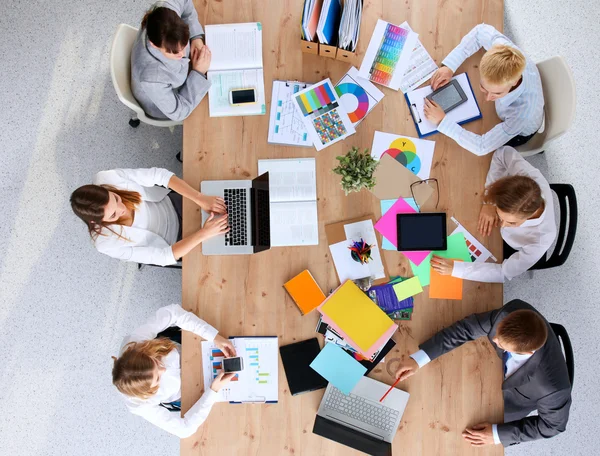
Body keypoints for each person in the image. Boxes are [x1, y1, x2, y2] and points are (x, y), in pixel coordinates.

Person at [394, 299, 571, 447]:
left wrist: (496, 435)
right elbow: (466, 329)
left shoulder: (553, 389)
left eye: (501, 344)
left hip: (508, 407)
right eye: (497, 335)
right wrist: (419, 359)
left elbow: (553, 427)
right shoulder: (512, 312)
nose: (493, 340)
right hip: (490, 376)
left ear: (526, 353)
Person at [431, 146, 556, 282]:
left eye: (512, 223)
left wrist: (456, 269)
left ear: (529, 215)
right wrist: (489, 203)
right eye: (500, 215)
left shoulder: (540, 241)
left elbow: (503, 273)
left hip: (513, 248)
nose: (502, 225)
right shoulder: (528, 179)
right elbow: (503, 153)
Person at [112, 304, 237, 438]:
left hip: (183, 349)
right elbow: (184, 430)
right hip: (183, 390)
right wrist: (213, 391)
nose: (164, 369)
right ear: (147, 392)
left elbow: (173, 313)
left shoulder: (136, 342)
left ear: (143, 351)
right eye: (158, 379)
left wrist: (214, 336)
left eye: (156, 361)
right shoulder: (139, 405)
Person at [424, 23, 544, 156]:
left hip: (521, 132)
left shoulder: (522, 114)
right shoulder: (503, 49)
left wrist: (442, 121)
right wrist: (450, 66)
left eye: (497, 93)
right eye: (483, 87)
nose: (487, 98)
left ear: (514, 81)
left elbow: (481, 147)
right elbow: (480, 31)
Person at [70, 167, 228, 266]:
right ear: (96, 221)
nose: (122, 208)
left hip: (177, 204)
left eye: (116, 199)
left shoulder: (106, 179)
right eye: (113, 214)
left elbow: (160, 175)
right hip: (182, 241)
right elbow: (163, 257)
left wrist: (199, 198)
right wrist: (204, 233)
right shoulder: (106, 243)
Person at [131, 0, 212, 121]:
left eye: (184, 45)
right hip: (167, 103)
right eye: (174, 52)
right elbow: (178, 112)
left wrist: (195, 37)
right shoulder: (152, 78)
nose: (183, 54)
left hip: (185, 76)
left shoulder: (166, 11)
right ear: (154, 45)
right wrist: (198, 73)